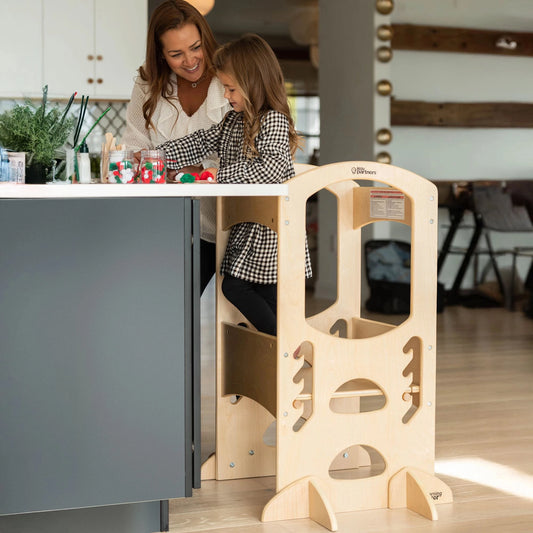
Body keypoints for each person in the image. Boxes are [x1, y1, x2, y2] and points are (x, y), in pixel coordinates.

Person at [156, 33, 312, 336]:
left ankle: (288, 344)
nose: (226, 96)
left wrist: (219, 175)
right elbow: (199, 141)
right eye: (224, 88)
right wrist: (157, 156)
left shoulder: (273, 120)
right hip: (246, 223)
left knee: (239, 287)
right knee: (253, 292)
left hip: (271, 228)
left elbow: (273, 166)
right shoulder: (232, 122)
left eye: (230, 88)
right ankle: (285, 347)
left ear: (253, 83)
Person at [121, 0, 231, 293]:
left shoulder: (229, 79)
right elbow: (135, 144)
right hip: (163, 219)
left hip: (224, 220)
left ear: (205, 39)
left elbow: (243, 150)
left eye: (196, 47)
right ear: (161, 54)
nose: (190, 60)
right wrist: (150, 164)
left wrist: (201, 170)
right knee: (164, 300)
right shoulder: (148, 83)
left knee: (200, 299)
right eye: (176, 54)